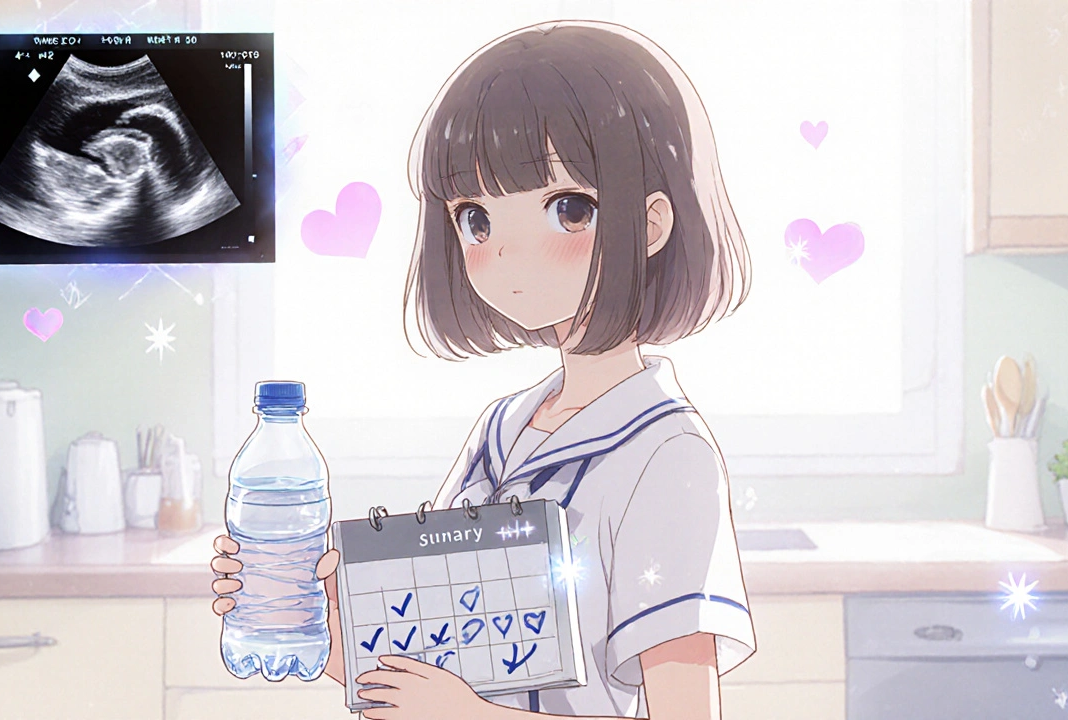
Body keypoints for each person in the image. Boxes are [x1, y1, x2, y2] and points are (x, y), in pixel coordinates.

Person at [212, 20, 756, 719]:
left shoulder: (668, 456)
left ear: (650, 225)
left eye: (567, 209)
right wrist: (298, 607)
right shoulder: (503, 428)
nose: (505, 254)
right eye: (476, 219)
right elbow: (409, 671)